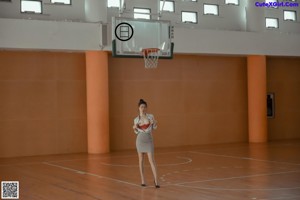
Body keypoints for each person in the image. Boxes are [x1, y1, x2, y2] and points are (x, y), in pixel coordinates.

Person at [133, 99, 160, 188]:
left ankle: (156, 181)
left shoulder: (151, 116)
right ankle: (143, 180)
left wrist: (155, 122)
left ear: (146, 108)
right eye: (141, 107)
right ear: (139, 108)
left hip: (149, 139)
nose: (143, 108)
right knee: (141, 160)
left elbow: (155, 127)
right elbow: (136, 132)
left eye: (144, 107)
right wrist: (134, 128)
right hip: (140, 140)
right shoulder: (136, 119)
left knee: (151, 160)